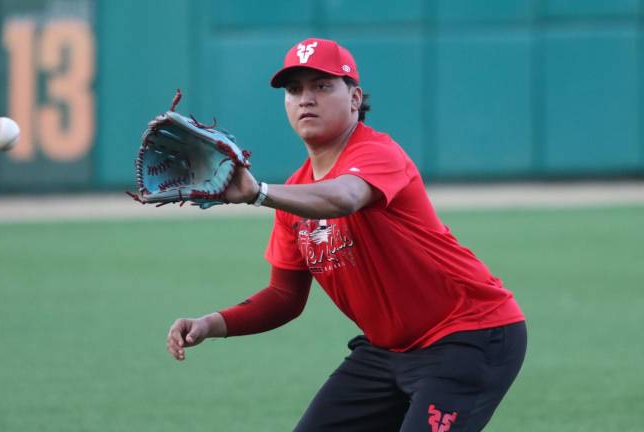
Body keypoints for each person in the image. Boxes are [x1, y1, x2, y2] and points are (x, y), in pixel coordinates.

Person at [166, 38, 527, 431]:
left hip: (467, 336)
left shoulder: (377, 153)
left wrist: (260, 193)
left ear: (354, 98)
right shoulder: (297, 192)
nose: (306, 98)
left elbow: (345, 197)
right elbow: (284, 297)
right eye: (294, 89)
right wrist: (212, 323)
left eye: (322, 86)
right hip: (387, 351)